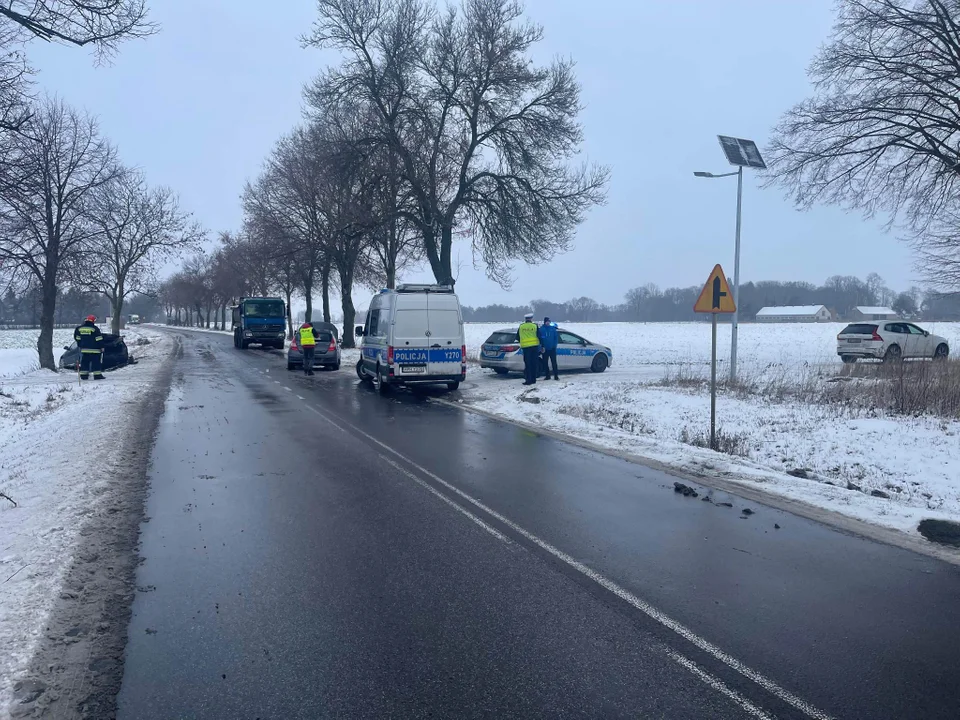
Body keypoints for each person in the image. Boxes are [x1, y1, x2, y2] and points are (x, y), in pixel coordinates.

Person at [74, 315, 105, 380]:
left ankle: (83, 376)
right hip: (95, 350)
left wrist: (81, 345)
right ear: (93, 321)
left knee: (84, 363)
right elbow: (99, 339)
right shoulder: (94, 329)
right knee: (96, 363)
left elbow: (77, 338)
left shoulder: (79, 329)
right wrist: (102, 347)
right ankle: (97, 375)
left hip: (84, 349)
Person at [518, 312, 540, 386]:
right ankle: (534, 379)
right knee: (534, 363)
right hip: (534, 347)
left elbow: (517, 337)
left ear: (525, 319)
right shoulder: (535, 326)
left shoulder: (521, 326)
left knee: (528, 364)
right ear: (531, 318)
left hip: (526, 348)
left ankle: (528, 380)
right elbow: (539, 335)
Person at [538, 316, 559, 380]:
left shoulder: (552, 329)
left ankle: (556, 375)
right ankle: (547, 376)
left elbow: (556, 338)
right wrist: (541, 347)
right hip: (545, 349)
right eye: (547, 322)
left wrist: (554, 345)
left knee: (554, 363)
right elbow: (540, 339)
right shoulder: (541, 329)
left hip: (552, 349)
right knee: (545, 363)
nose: (548, 323)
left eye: (549, 322)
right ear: (544, 322)